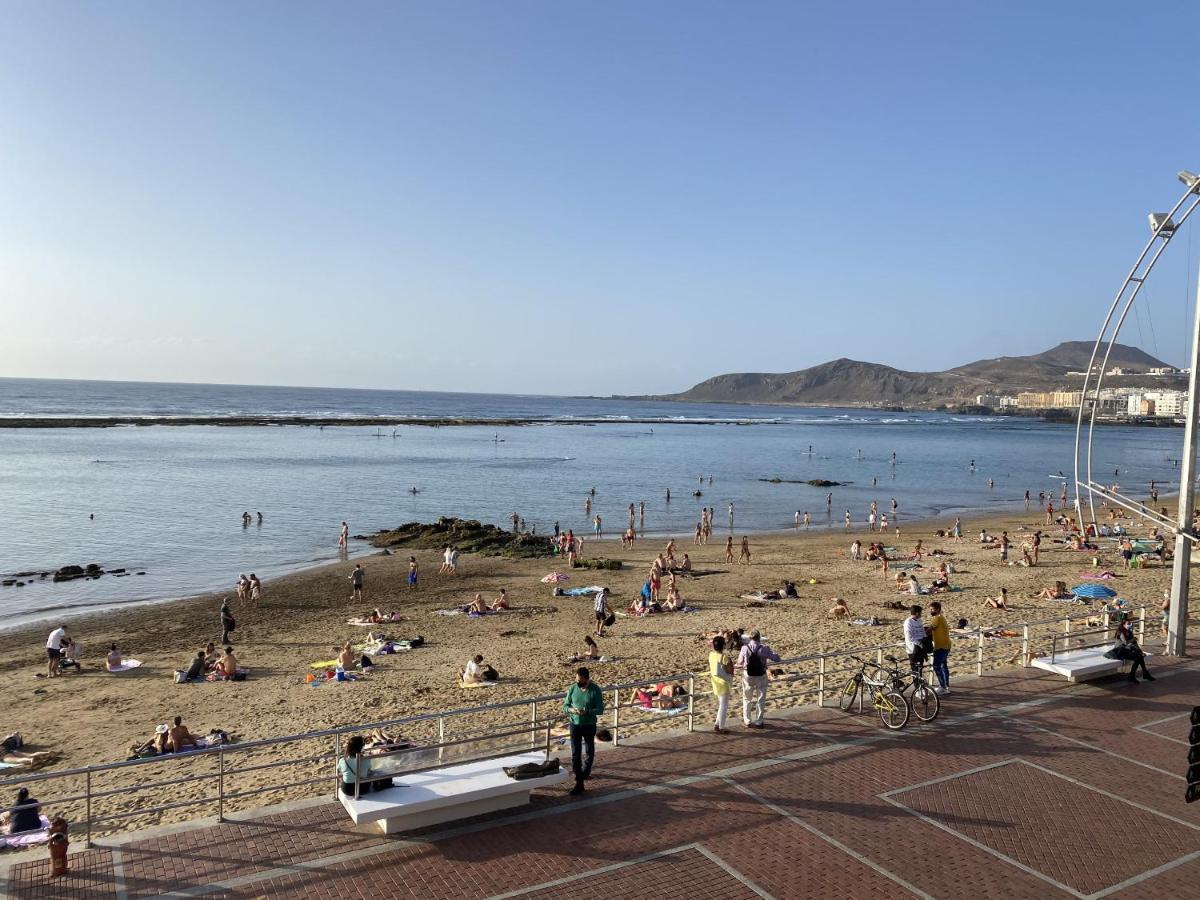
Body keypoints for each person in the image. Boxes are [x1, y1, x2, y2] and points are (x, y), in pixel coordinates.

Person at [563, 667, 605, 795]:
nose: (577, 683)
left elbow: (600, 709)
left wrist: (587, 711)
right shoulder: (573, 688)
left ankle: (586, 772)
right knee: (575, 753)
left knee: (589, 750)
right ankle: (579, 781)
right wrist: (572, 710)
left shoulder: (595, 690)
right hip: (574, 724)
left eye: (580, 680)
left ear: (586, 679)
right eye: (576, 680)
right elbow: (565, 706)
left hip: (589, 724)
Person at [738, 630, 781, 728]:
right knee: (761, 699)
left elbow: (739, 662)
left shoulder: (744, 648)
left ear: (750, 638)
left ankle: (747, 721)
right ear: (759, 638)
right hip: (761, 676)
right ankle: (759, 721)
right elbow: (777, 659)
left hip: (748, 675)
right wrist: (771, 651)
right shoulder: (764, 648)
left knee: (746, 699)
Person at [1110, 615, 1154, 682]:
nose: (1130, 625)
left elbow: (1134, 643)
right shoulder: (1121, 632)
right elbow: (1126, 642)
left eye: (1130, 623)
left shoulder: (1129, 631)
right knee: (1138, 658)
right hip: (1120, 651)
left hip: (1127, 649)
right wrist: (1132, 639)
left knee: (1140, 656)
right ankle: (1139, 675)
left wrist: (1140, 651)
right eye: (1128, 624)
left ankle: (1136, 675)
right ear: (1123, 624)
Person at [709, 635, 733, 734]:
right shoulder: (724, 657)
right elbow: (730, 671)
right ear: (723, 646)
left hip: (715, 682)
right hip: (723, 683)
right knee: (723, 705)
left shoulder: (711, 655)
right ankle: (721, 726)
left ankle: (717, 724)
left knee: (721, 704)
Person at [927, 601, 951, 695]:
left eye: (932, 609)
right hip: (947, 645)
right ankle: (946, 685)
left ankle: (943, 687)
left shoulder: (937, 619)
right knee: (944, 666)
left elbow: (929, 630)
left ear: (937, 609)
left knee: (936, 666)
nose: (931, 611)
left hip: (941, 646)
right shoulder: (942, 618)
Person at [903, 604, 928, 675]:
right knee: (915, 669)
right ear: (917, 613)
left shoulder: (919, 620)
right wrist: (919, 643)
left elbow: (922, 631)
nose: (921, 614)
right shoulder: (908, 622)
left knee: (920, 667)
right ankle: (917, 685)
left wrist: (925, 639)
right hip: (912, 649)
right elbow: (909, 636)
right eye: (920, 612)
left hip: (921, 647)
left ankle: (921, 685)